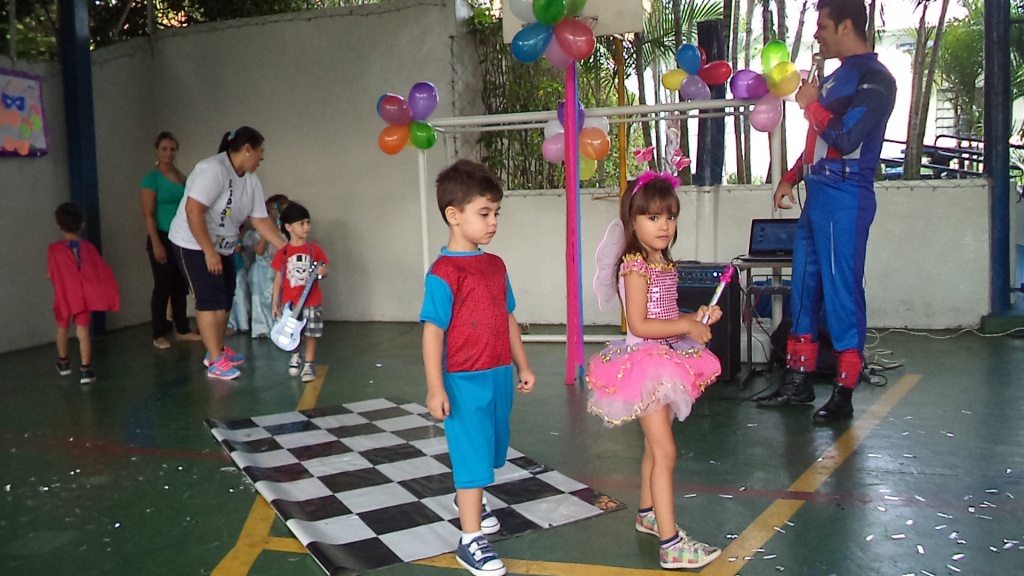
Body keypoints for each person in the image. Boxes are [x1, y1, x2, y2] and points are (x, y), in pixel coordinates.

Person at [755, 0, 896, 423]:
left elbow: (846, 137)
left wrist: (810, 106)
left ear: (847, 26)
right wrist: (791, 177)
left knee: (841, 290)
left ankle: (844, 388)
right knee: (803, 286)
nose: (817, 34)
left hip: (846, 193)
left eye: (823, 26)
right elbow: (818, 141)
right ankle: (797, 379)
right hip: (818, 191)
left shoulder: (876, 79)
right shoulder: (834, 77)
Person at [585, 171, 723, 570]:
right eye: (653, 217)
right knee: (665, 452)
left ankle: (648, 514)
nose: (664, 226)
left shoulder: (661, 262)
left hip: (666, 360)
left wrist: (695, 317)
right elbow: (641, 325)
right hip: (645, 365)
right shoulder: (635, 266)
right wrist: (687, 327)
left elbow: (665, 315)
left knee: (653, 447)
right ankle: (671, 544)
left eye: (670, 217)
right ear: (633, 221)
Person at [420, 159, 536, 576]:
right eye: (484, 213)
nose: (493, 222)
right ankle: (470, 540)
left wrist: (522, 364)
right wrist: (436, 387)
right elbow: (433, 333)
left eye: (496, 213)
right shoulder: (443, 273)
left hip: (498, 373)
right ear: (454, 215)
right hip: (462, 380)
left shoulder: (495, 265)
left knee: (490, 450)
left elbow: (507, 317)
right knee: (471, 457)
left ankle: (469, 498)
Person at [167, 126, 285, 380]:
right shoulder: (213, 170)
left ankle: (217, 349)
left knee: (225, 296)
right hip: (193, 242)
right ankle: (214, 360)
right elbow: (193, 211)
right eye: (261, 151)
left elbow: (260, 219)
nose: (262, 157)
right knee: (209, 300)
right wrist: (209, 252)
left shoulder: (251, 180)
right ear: (247, 149)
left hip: (224, 245)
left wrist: (286, 247)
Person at [139, 132, 201, 349]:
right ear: (157, 150)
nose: (168, 153)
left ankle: (182, 329)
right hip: (161, 235)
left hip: (181, 237)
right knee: (163, 285)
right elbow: (148, 213)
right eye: (164, 149)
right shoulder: (151, 179)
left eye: (172, 149)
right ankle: (159, 333)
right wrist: (156, 242)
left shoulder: (182, 177)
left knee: (180, 284)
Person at [47, 203, 120, 385]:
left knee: (62, 326)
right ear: (82, 224)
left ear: (58, 224)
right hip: (84, 296)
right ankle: (86, 370)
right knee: (83, 331)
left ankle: (64, 363)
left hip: (64, 294)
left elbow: (50, 273)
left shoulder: (54, 249)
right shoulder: (88, 247)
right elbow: (98, 271)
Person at [271, 202, 328, 383]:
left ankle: (309, 364)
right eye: (301, 223)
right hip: (290, 302)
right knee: (293, 331)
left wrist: (322, 272)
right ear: (288, 227)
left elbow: (323, 270)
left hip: (311, 300)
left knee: (311, 333)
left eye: (308, 223)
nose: (306, 227)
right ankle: (295, 353)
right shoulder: (283, 253)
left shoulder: (314, 250)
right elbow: (278, 279)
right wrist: (275, 302)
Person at [245, 194, 288, 338]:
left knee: (277, 298)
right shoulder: (257, 234)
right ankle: (262, 327)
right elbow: (259, 251)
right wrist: (266, 232)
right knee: (260, 300)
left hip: (278, 271)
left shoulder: (285, 233)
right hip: (261, 271)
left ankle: (279, 326)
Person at [226, 229, 252, 335]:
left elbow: (240, 248)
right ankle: (234, 324)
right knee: (231, 297)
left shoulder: (237, 236)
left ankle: (242, 324)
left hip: (237, 267)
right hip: (229, 268)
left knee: (240, 297)